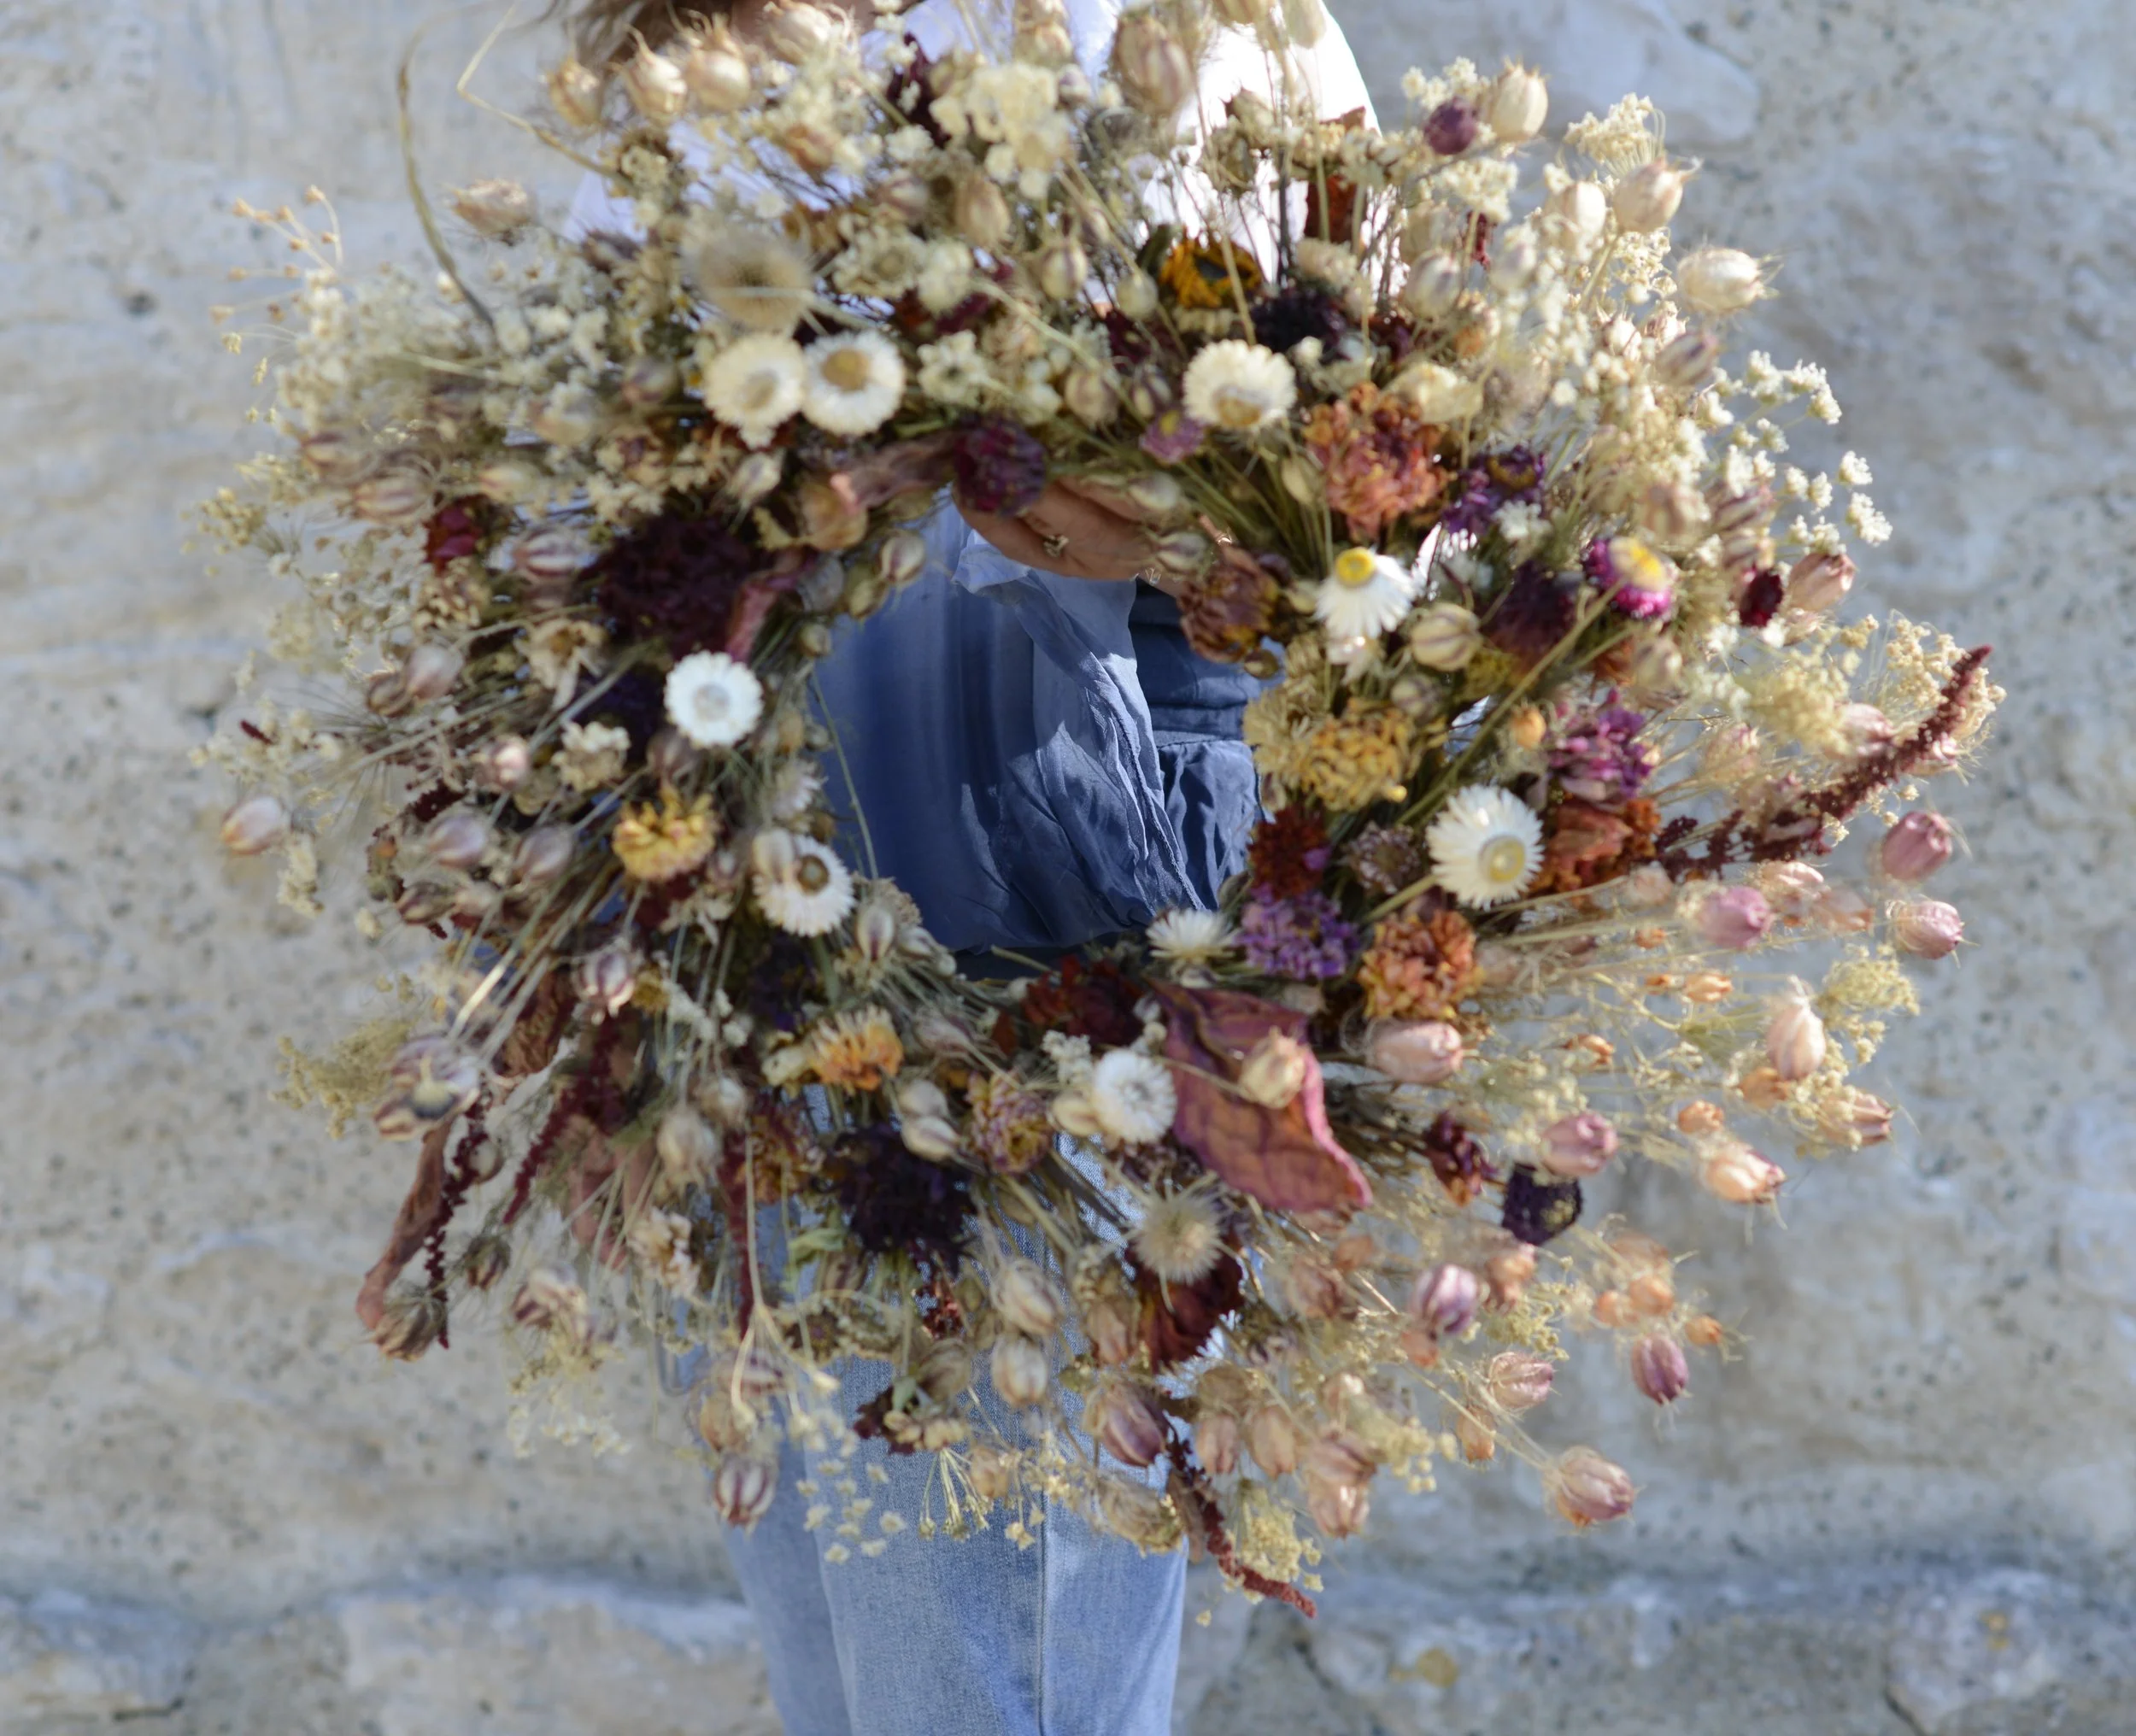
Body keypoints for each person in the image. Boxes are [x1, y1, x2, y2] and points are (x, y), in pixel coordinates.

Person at [564, 3, 1374, 1729]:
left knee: (990, 1663)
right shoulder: (688, 39)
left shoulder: (1159, 27)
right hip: (739, 924)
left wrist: (1095, 492)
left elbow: (1360, 514)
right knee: (857, 1662)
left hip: (1034, 900)